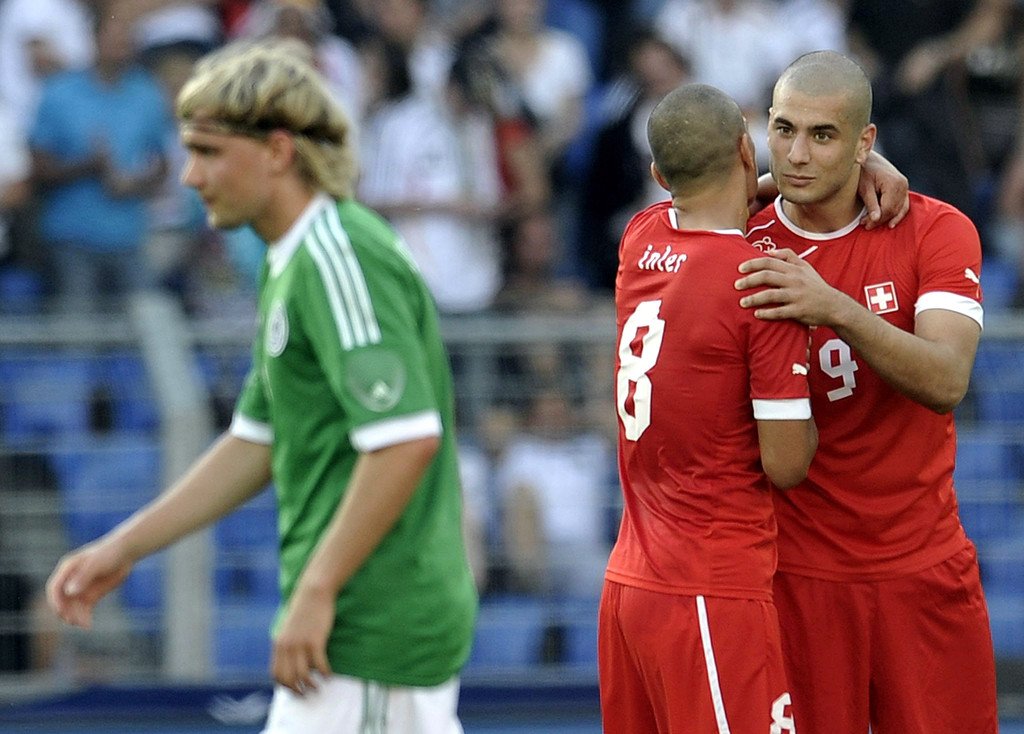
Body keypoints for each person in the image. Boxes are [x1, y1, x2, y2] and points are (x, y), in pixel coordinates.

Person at [46, 39, 478, 733]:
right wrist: (123, 547)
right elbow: (257, 438)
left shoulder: (338, 254)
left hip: (371, 629)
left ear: (278, 151)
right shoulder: (292, 258)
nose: (189, 175)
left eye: (208, 152)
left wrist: (317, 590)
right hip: (347, 632)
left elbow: (405, 440)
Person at [735, 50, 997, 733]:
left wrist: (836, 308)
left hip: (922, 567)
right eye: (784, 129)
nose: (798, 153)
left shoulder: (935, 229)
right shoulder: (737, 240)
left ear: (864, 142)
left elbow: (947, 379)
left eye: (824, 135)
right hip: (794, 577)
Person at [601, 82, 818, 734]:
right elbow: (787, 465)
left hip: (630, 584)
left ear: (658, 175)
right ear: (747, 150)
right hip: (710, 588)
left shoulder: (640, 237)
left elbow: (704, 201)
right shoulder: (760, 283)